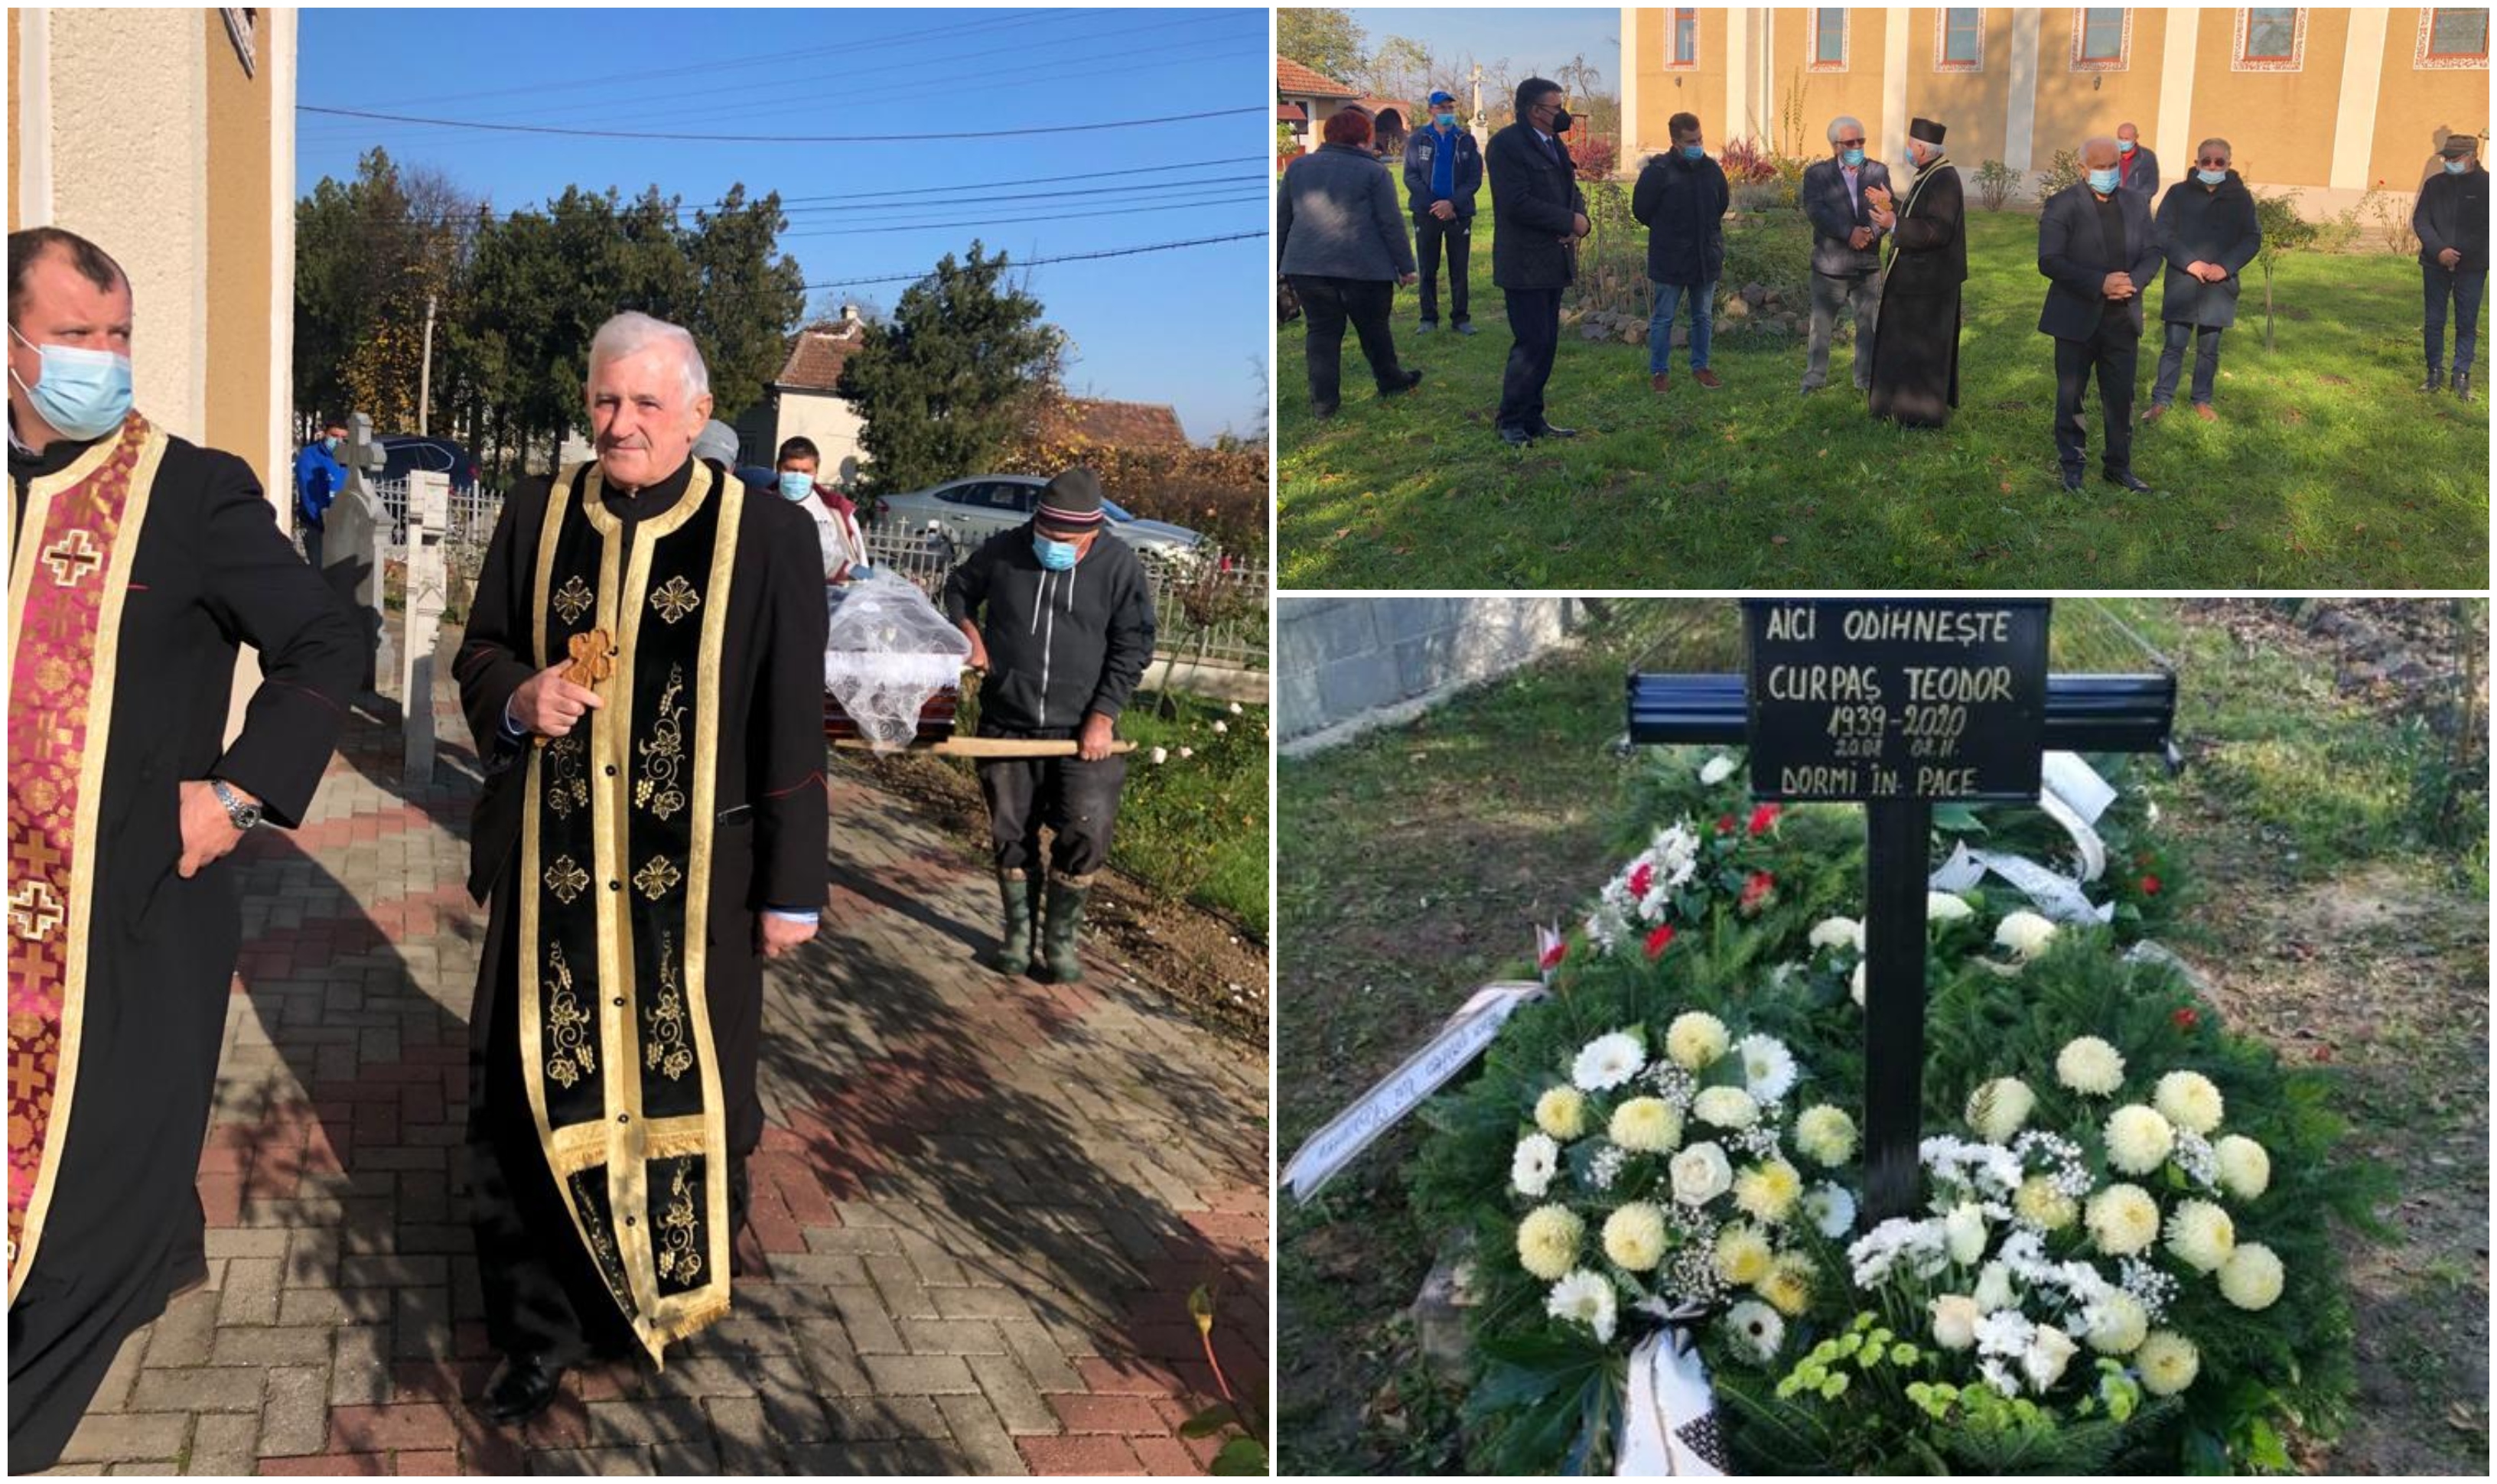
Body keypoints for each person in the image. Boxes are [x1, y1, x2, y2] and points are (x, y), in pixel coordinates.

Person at [7, 226, 360, 1471]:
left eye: (119, 336)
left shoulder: (190, 491)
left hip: (136, 912)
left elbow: (328, 641)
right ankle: (159, 1253)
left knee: (81, 1209)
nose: (104, 360)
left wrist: (240, 792)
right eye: (75, 335)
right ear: (13, 345)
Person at [450, 311, 828, 1422]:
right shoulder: (538, 512)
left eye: (647, 403)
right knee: (529, 1097)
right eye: (605, 400)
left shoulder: (767, 534)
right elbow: (478, 651)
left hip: (697, 886)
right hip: (552, 878)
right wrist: (518, 696)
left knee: (698, 1090)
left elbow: (790, 720)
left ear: (699, 413)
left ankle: (666, 1299)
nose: (621, 423)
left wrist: (793, 889)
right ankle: (538, 1336)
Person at [942, 468, 1155, 985]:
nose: (1053, 547)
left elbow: (1134, 645)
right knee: (1011, 833)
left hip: (1082, 732)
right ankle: (1018, 938)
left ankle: (1060, 942)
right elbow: (958, 589)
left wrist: (1103, 715)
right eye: (1046, 534)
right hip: (1007, 723)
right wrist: (970, 634)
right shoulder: (1006, 550)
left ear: (1093, 533)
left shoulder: (1119, 566)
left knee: (1086, 830)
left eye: (1066, 541)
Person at [2036, 137, 2163, 493]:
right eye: (2100, 167)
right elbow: (2049, 260)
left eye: (2112, 166)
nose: (2108, 173)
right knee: (2071, 396)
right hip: (2076, 317)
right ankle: (2072, 466)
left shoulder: (2136, 203)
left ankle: (2118, 466)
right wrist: (2100, 283)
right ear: (2083, 169)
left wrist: (2133, 282)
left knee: (2120, 396)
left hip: (2122, 316)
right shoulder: (2063, 205)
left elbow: (2154, 251)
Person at [1278, 107, 1422, 419]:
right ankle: (1390, 380)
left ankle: (1324, 402)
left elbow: (1282, 219)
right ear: (1364, 137)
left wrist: (1277, 264)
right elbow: (1390, 222)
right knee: (1374, 330)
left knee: (1321, 333)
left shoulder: (1298, 168)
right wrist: (1406, 266)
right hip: (1364, 267)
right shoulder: (1373, 172)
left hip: (1307, 267)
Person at [1489, 77, 1591, 446]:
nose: (1563, 114)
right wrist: (1567, 221)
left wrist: (1580, 221)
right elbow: (1516, 202)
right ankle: (1510, 420)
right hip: (1524, 262)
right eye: (1556, 107)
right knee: (1531, 343)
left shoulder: (1552, 142)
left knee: (1546, 343)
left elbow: (1569, 189)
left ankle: (1534, 417)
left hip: (1553, 259)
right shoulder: (1507, 145)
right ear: (1535, 110)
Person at [2145, 138, 2261, 423]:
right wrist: (2190, 262)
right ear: (2196, 163)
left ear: (2228, 165)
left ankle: (2202, 400)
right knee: (2174, 345)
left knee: (2209, 349)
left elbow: (2251, 238)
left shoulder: (2241, 198)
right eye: (2206, 161)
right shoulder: (2178, 193)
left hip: (2220, 285)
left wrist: (2225, 267)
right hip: (2183, 280)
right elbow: (2162, 233)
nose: (2212, 166)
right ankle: (2162, 400)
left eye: (2219, 162)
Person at [1863, 118, 1965, 428]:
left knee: (1921, 350)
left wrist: (1894, 223)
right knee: (1901, 345)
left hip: (1930, 284)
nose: (1907, 150)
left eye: (1910, 146)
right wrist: (1890, 204)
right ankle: (1894, 405)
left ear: (1921, 148)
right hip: (1915, 280)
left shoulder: (1944, 180)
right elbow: (1916, 215)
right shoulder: (1928, 173)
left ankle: (1918, 413)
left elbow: (1938, 230)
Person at [1633, 112, 1730, 392]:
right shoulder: (1658, 172)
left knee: (1703, 317)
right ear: (1675, 142)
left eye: (1699, 139)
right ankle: (1659, 372)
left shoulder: (1712, 170)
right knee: (1664, 318)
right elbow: (1642, 210)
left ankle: (1701, 366)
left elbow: (1721, 203)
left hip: (1705, 256)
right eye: (1691, 141)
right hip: (1670, 257)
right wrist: (1670, 232)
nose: (1697, 145)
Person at [1799, 115, 1891, 395]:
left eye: (1861, 141)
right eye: (1850, 143)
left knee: (1868, 327)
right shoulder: (1817, 175)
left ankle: (1865, 380)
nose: (1857, 147)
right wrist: (1848, 232)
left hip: (1867, 266)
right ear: (1835, 146)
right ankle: (1814, 380)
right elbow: (1816, 211)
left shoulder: (1878, 171)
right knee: (1821, 328)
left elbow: (1887, 209)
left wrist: (1870, 232)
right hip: (1830, 266)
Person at [2412, 130, 2487, 401]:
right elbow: (2421, 220)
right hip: (2435, 263)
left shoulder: (2488, 186)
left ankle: (2461, 376)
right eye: (2446, 158)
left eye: (2454, 159)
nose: (2449, 163)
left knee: (2466, 322)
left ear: (2472, 156)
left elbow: (2487, 228)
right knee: (2434, 321)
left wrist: (2460, 254)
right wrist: (2440, 250)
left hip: (2472, 266)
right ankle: (2434, 372)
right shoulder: (2434, 185)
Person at [1402, 90, 1483, 336]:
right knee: (1428, 267)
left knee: (1459, 268)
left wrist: (1452, 204)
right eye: (1441, 108)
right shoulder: (1418, 139)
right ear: (1431, 111)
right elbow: (1411, 176)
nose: (1447, 112)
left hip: (1459, 214)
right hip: (1427, 213)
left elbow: (1474, 178)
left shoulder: (1465, 140)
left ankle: (1461, 318)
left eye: (1450, 108)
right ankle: (1428, 318)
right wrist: (1435, 205)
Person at [773, 435, 868, 584]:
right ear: (778, 468)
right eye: (791, 470)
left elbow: (862, 572)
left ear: (816, 472)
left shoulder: (837, 512)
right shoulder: (759, 507)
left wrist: (865, 578)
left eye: (806, 471)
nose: (798, 477)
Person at [293, 415, 348, 570]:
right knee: (321, 570)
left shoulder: (347, 458)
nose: (339, 441)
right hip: (316, 525)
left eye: (343, 438)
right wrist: (325, 520)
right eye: (334, 436)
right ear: (325, 434)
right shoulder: (309, 456)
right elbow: (310, 497)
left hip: (343, 525)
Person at [2114, 122, 2160, 204]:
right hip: (2114, 205)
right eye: (2120, 138)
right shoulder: (2110, 155)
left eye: (2127, 139)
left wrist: (2135, 201)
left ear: (2136, 137)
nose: (2123, 141)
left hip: (2137, 206)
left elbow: (2152, 185)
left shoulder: (2147, 157)